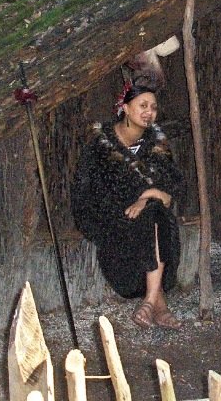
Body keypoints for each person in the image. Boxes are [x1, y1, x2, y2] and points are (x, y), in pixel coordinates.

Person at [71, 82, 185, 330]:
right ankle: (159, 303)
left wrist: (148, 196)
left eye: (153, 107)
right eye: (143, 105)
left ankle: (150, 301)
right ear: (125, 108)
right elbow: (89, 191)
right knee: (152, 213)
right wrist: (141, 196)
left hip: (153, 218)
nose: (149, 112)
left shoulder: (157, 145)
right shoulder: (101, 147)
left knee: (155, 212)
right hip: (114, 221)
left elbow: (172, 190)